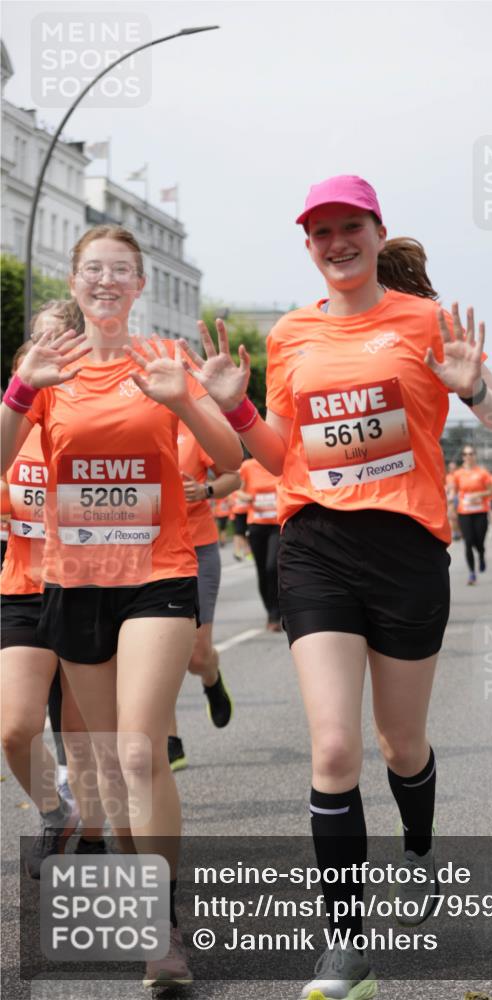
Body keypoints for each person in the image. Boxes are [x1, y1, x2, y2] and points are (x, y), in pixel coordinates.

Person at [179, 175, 492, 1000]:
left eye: (349, 227)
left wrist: (475, 387)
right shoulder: (292, 335)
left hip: (405, 549)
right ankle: (345, 944)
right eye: (319, 231)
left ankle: (419, 843)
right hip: (316, 546)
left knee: (399, 745)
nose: (335, 242)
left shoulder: (425, 322)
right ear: (308, 244)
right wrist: (235, 411)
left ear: (376, 232)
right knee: (333, 748)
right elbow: (276, 456)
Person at [0, 225, 242, 988]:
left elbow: (232, 459)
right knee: (103, 765)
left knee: (139, 752)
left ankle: (163, 929)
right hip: (74, 583)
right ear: (75, 284)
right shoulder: (47, 374)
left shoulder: (164, 358)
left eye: (122, 272)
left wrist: (191, 403)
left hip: (158, 576)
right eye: (93, 270)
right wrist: (21, 390)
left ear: (139, 286)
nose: (107, 281)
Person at [1, 318, 107, 879]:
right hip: (22, 590)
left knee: (80, 736)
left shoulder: (91, 428)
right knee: (16, 729)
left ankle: (91, 834)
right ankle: (53, 812)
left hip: (87, 587)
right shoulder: (10, 435)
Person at [167, 423, 239, 771]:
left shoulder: (192, 424)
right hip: (145, 552)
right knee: (157, 654)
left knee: (195, 655)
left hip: (197, 547)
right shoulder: (121, 419)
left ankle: (211, 677)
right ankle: (170, 739)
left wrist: (206, 490)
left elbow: (233, 476)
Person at [238, 456, 281, 630]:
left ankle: (277, 612)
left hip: (277, 525)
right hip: (256, 525)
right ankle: (270, 611)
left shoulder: (278, 462)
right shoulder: (248, 466)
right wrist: (245, 496)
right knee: (262, 571)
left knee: (273, 567)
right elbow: (237, 491)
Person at [452, 447, 492, 584]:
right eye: (465, 454)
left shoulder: (482, 473)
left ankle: (481, 554)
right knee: (468, 542)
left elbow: (490, 491)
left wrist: (478, 495)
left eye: (470, 453)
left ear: (475, 455)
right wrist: (450, 502)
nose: (468, 456)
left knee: (479, 541)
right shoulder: (458, 474)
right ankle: (471, 573)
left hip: (480, 511)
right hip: (464, 512)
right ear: (462, 456)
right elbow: (454, 492)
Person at [445, 459, 460, 541]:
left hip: (459, 497)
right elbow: (445, 487)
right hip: (451, 498)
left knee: (458, 517)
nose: (452, 469)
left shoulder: (459, 475)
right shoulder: (447, 477)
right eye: (451, 468)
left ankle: (459, 532)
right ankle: (454, 533)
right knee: (451, 516)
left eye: (454, 467)